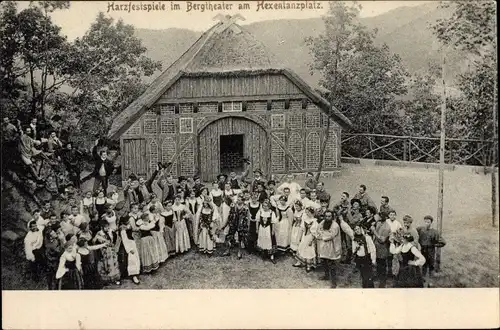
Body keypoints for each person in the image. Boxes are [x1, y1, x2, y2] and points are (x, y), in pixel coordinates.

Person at [416, 215, 446, 287]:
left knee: (431, 266)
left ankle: (430, 282)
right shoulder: (420, 229)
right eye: (425, 222)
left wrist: (434, 245)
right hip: (423, 250)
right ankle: (422, 280)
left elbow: (443, 242)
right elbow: (414, 233)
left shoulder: (434, 232)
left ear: (431, 223)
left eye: (428, 222)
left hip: (431, 251)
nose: (426, 223)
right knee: (423, 265)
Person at [315, 210, 341, 288]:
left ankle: (334, 282)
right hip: (323, 246)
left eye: (329, 216)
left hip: (331, 247)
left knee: (331, 264)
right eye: (326, 216)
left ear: (332, 217)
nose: (327, 218)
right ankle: (326, 276)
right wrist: (321, 234)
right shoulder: (323, 222)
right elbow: (318, 230)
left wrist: (322, 235)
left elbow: (331, 235)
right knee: (324, 261)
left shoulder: (335, 225)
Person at [93, 220, 121, 286]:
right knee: (105, 265)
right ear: (101, 227)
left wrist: (114, 245)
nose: (107, 228)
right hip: (104, 251)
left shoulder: (111, 231)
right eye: (105, 227)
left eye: (108, 226)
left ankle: (115, 279)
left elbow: (116, 238)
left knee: (114, 264)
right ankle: (106, 280)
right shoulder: (99, 233)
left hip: (112, 251)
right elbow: (94, 241)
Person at [223, 193, 249, 259]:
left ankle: (239, 252)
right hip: (233, 223)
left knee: (240, 239)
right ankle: (227, 250)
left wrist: (246, 225)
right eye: (237, 199)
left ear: (243, 201)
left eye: (240, 200)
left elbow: (247, 217)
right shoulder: (233, 206)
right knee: (229, 236)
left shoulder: (245, 207)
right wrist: (226, 224)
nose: (238, 201)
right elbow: (230, 216)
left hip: (241, 224)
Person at [293, 206, 319, 272]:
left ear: (312, 213)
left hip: (310, 237)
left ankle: (309, 266)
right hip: (304, 236)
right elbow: (302, 229)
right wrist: (299, 237)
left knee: (309, 250)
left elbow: (314, 233)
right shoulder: (305, 220)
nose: (307, 214)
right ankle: (299, 262)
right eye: (306, 212)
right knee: (301, 247)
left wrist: (311, 240)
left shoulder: (315, 222)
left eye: (308, 212)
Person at [117, 216, 141, 285]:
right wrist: (130, 249)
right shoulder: (123, 230)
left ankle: (135, 273)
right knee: (130, 260)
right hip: (127, 246)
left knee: (134, 259)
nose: (129, 221)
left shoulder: (127, 226)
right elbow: (125, 240)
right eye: (128, 221)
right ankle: (133, 276)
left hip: (131, 243)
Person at [372, 212, 391, 288]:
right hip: (376, 247)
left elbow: (382, 240)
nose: (379, 217)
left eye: (380, 216)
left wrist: (374, 231)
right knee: (378, 264)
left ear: (385, 217)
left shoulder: (386, 227)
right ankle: (378, 277)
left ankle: (382, 282)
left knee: (382, 266)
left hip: (382, 249)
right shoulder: (379, 223)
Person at [43, 224, 65, 290]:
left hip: (52, 262)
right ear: (50, 237)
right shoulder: (52, 244)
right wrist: (61, 242)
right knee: (54, 277)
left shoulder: (52, 241)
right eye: (53, 233)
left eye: (53, 232)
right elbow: (60, 251)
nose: (55, 233)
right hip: (53, 263)